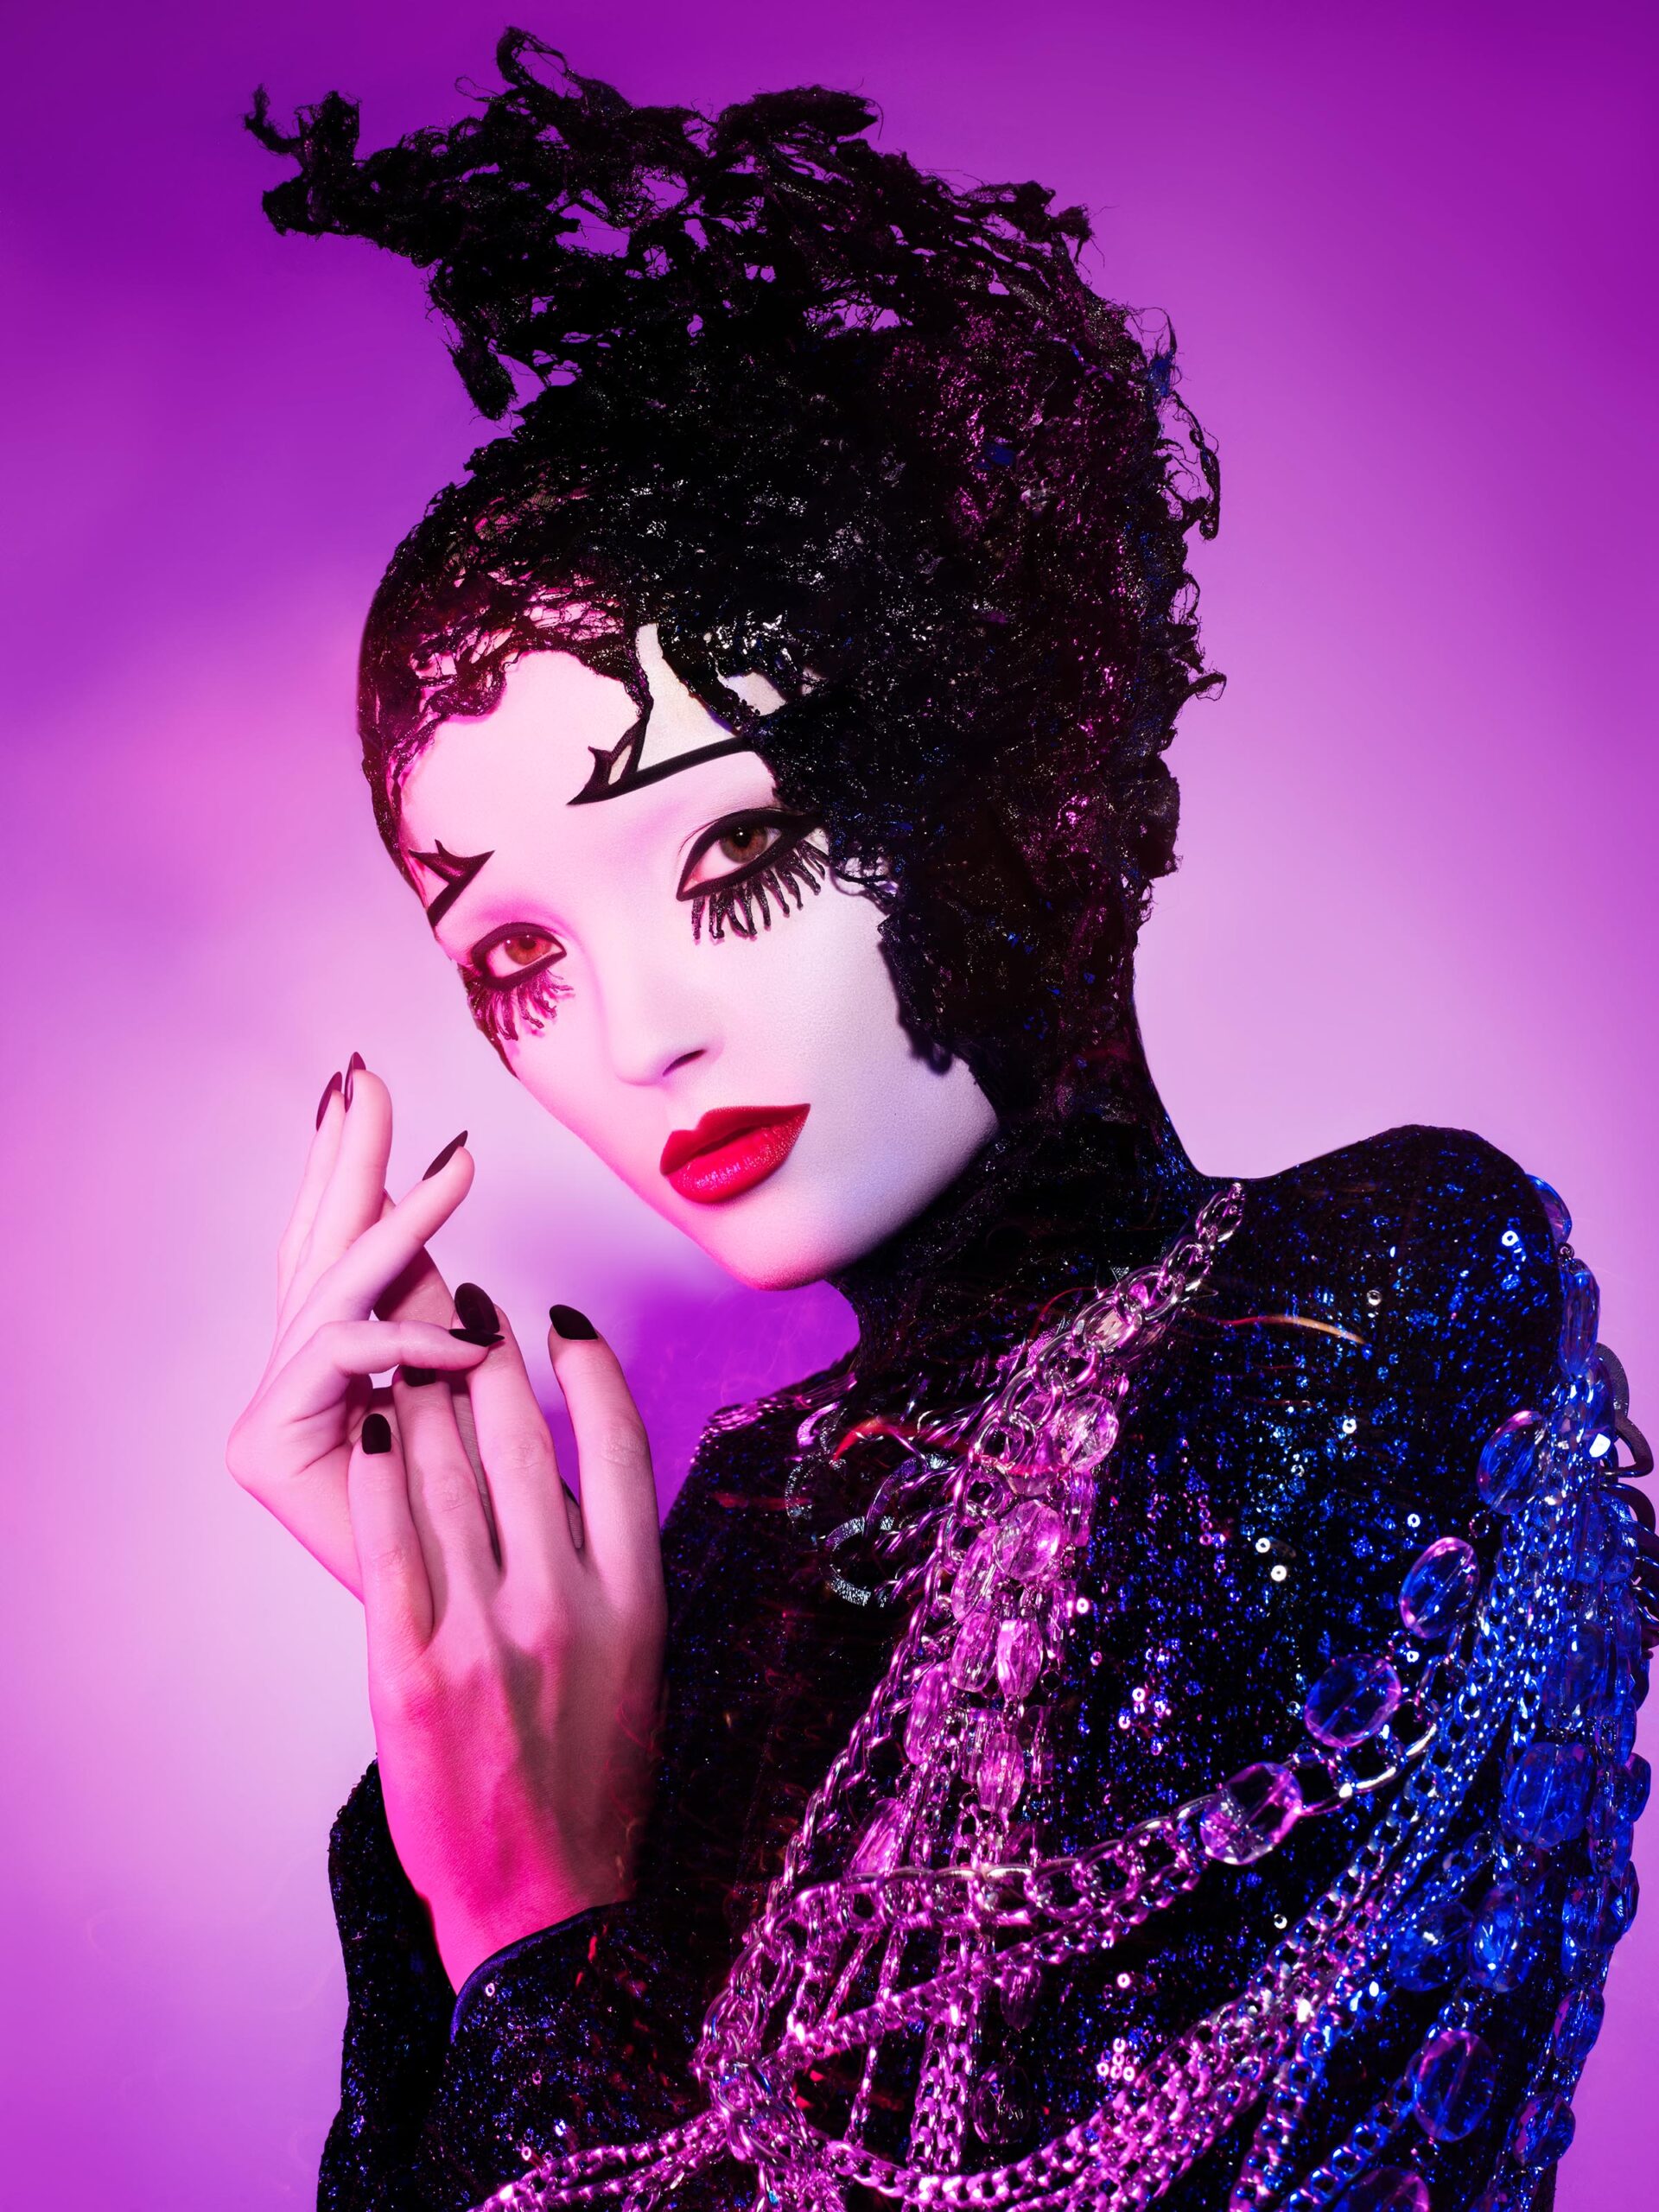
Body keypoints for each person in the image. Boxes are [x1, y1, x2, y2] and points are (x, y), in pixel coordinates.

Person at [228, 35, 1652, 2212]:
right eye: (515, 954)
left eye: (738, 850)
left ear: (1004, 768)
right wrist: (456, 1675)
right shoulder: (713, 1544)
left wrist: (534, 1921)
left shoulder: (1371, 1294)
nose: (638, 1033)